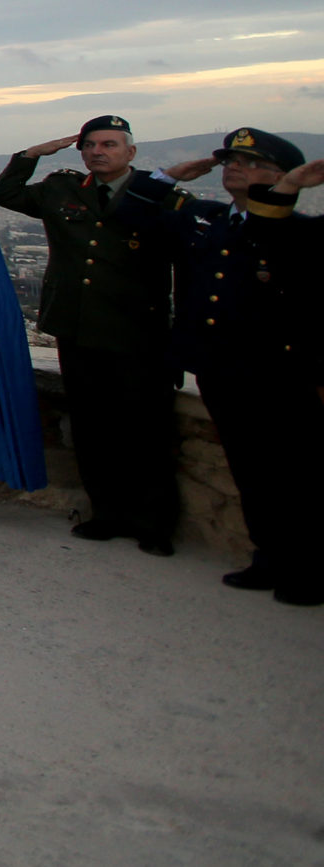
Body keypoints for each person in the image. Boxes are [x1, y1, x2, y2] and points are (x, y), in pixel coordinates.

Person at [119, 130, 324, 605]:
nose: (235, 167)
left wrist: (285, 192)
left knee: (297, 475)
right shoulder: (205, 219)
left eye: (251, 163)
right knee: (250, 470)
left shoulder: (296, 232)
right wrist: (167, 175)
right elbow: (131, 219)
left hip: (278, 372)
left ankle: (309, 570)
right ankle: (268, 557)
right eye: (231, 160)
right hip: (218, 368)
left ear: (282, 176)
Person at [0, 115, 179, 554]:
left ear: (130, 152)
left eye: (109, 144)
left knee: (146, 429)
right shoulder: (62, 188)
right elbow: (5, 194)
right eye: (90, 145)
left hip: (136, 330)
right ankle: (106, 513)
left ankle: (154, 523)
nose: (98, 152)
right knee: (92, 427)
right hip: (76, 326)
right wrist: (31, 155)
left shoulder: (157, 194)